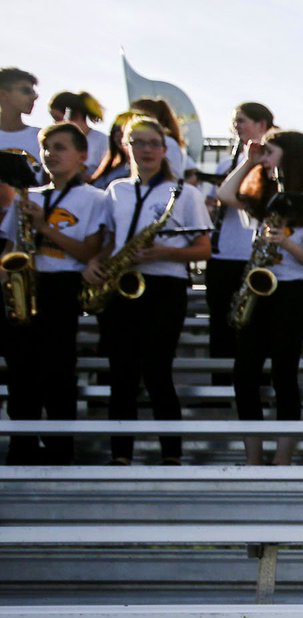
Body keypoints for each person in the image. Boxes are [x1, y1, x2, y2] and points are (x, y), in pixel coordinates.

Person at [84, 116, 211, 465]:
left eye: (154, 143)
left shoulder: (186, 194)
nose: (147, 149)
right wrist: (96, 261)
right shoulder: (116, 190)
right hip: (122, 287)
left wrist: (163, 252)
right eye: (138, 142)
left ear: (165, 149)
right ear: (127, 147)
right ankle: (120, 455)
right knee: (121, 373)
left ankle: (172, 454)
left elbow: (203, 249)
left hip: (165, 287)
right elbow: (109, 240)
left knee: (157, 371)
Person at [217, 130, 303, 465]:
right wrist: (249, 160)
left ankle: (282, 458)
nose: (265, 157)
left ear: (290, 155)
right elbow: (225, 194)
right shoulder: (265, 193)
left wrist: (284, 243)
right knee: (245, 374)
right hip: (259, 290)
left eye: (270, 152)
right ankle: (253, 458)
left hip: (293, 291)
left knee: (284, 373)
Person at [1, 123, 105, 464]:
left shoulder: (94, 198)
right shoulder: (30, 196)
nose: (51, 155)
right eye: (47, 148)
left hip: (62, 288)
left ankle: (60, 449)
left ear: (82, 156)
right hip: (27, 284)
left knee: (57, 373)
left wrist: (44, 227)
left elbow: (89, 251)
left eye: (60, 148)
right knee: (20, 372)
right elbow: (9, 247)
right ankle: (22, 446)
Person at [208, 102, 275, 386]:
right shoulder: (228, 163)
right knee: (221, 324)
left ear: (262, 125)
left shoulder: (273, 161)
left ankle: (255, 382)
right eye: (235, 121)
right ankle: (221, 384)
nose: (237, 126)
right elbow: (220, 198)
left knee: (256, 325)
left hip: (255, 254)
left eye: (243, 121)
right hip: (224, 252)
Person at [0, 68, 43, 207]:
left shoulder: (43, 138)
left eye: (34, 92)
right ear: (3, 95)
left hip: (29, 221)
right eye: (26, 91)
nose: (34, 97)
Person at [47, 91, 107, 174]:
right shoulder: (54, 144)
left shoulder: (103, 141)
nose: (55, 124)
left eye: (57, 118)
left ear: (75, 115)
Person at [89, 112, 133, 189]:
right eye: (116, 129)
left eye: (125, 129)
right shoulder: (109, 168)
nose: (120, 135)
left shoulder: (140, 171)